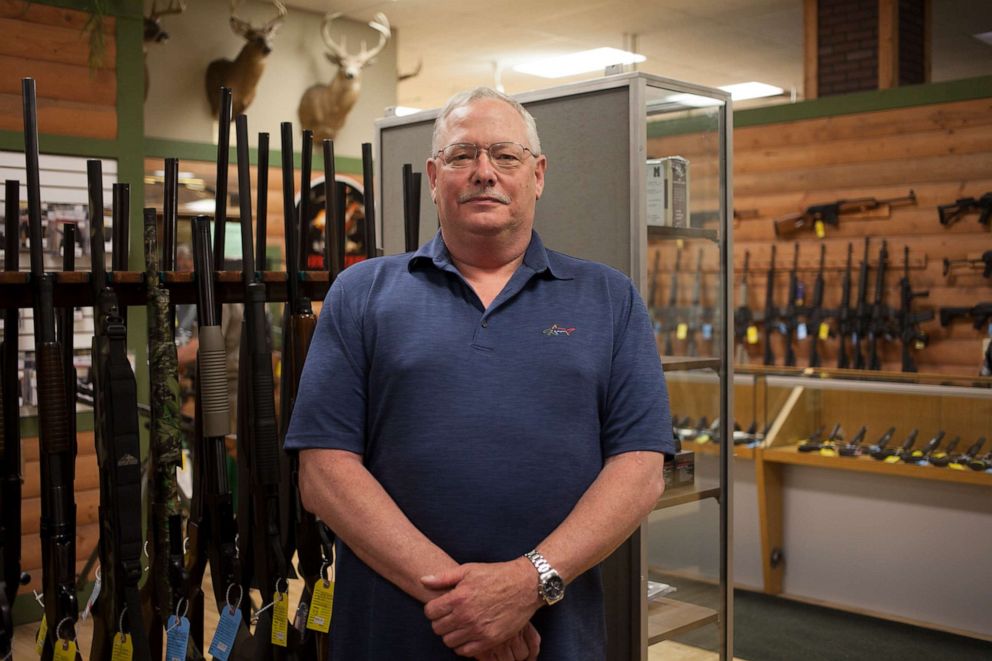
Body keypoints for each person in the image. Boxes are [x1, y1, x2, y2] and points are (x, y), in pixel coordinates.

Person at [286, 87, 675, 661]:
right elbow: (323, 472)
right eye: (462, 155)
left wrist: (526, 583)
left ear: (537, 174)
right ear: (434, 174)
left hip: (552, 640)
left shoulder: (608, 297)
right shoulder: (362, 293)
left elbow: (641, 471)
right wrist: (466, 603)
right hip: (392, 637)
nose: (484, 172)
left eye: (506, 156)